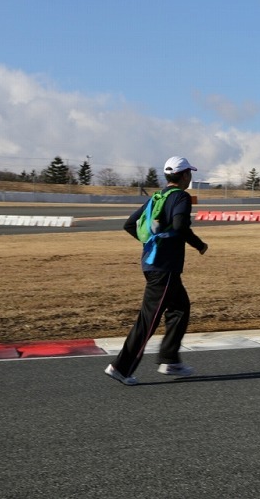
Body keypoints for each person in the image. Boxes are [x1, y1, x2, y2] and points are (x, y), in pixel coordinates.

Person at [104, 156, 209, 386]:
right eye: (189, 173)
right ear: (184, 175)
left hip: (153, 264)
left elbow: (130, 224)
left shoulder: (157, 197)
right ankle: (121, 367)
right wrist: (199, 244)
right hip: (164, 267)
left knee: (180, 308)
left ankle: (170, 359)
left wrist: (150, 241)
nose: (190, 177)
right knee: (148, 320)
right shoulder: (181, 196)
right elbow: (181, 226)